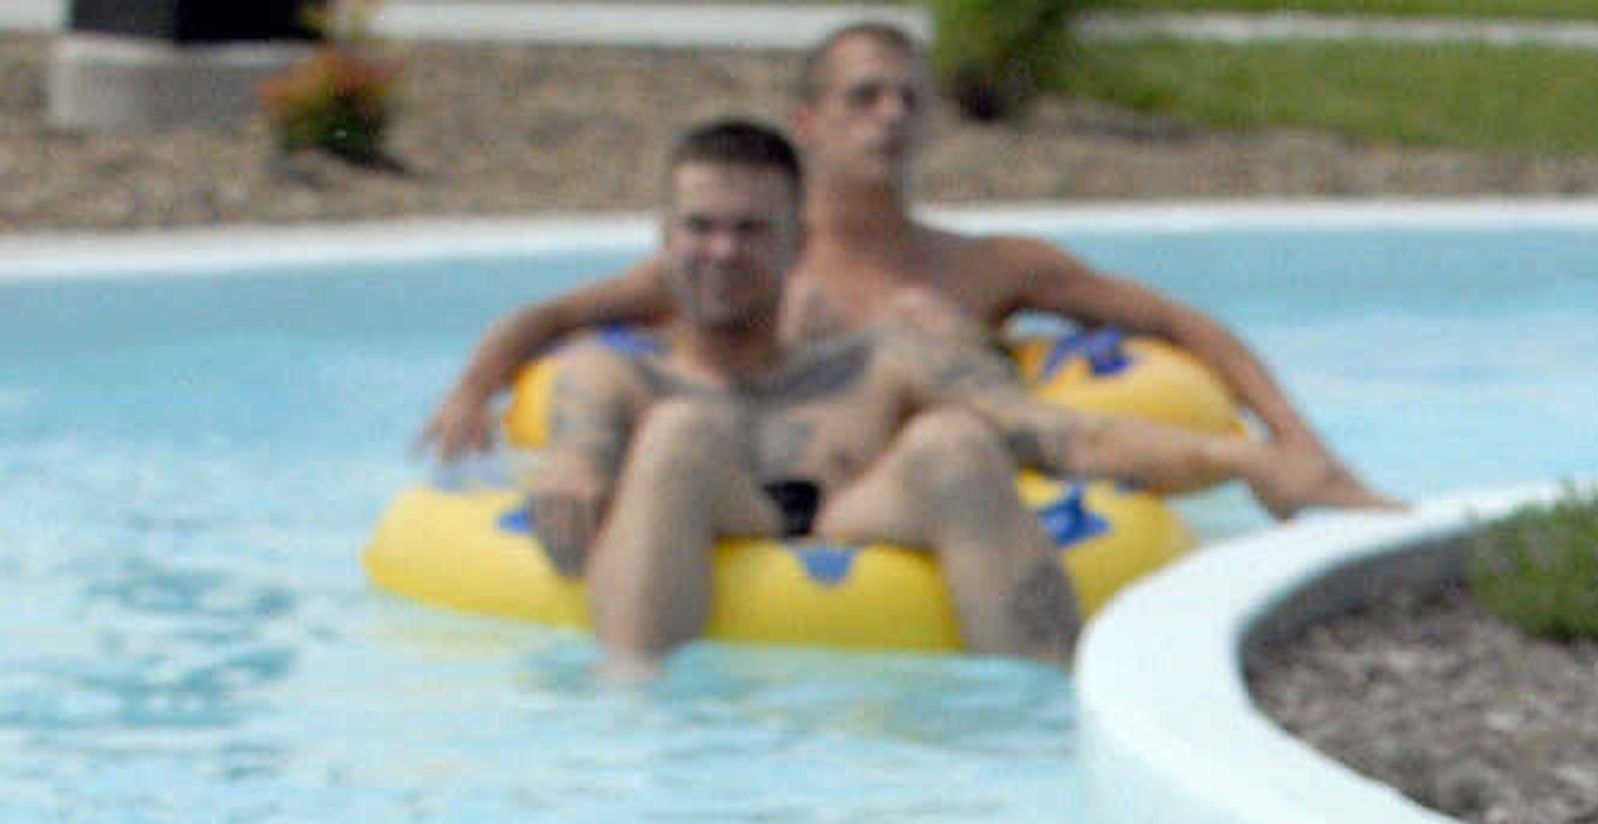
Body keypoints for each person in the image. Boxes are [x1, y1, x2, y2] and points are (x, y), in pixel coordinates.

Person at [421, 19, 1390, 516]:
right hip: (792, 511)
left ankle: (1278, 473)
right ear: (810, 125)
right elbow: (554, 318)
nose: (890, 115)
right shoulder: (748, 263)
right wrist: (474, 389)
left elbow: (1183, 325)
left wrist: (1295, 430)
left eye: (907, 100)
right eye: (863, 97)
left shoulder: (987, 266)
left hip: (961, 499)